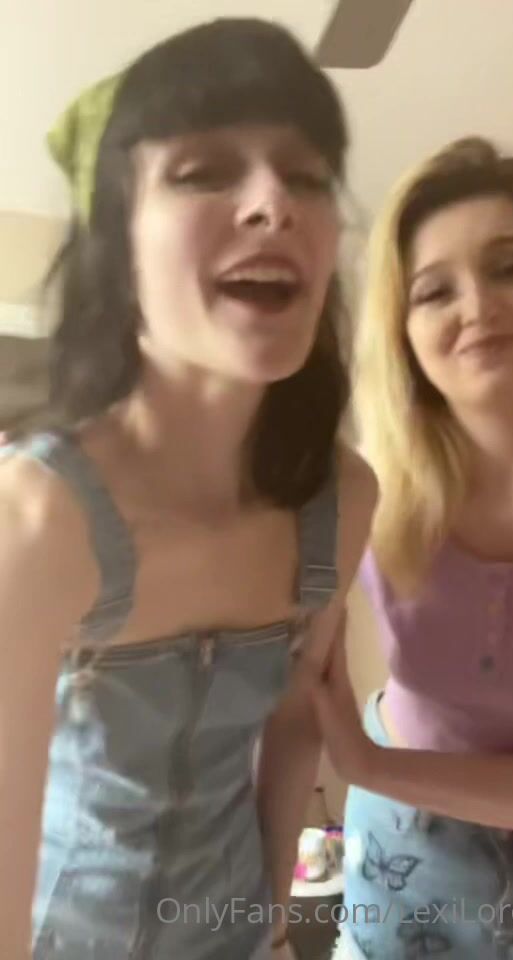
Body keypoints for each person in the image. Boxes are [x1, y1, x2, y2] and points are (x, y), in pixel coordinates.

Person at [0, 19, 378, 960]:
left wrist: (275, 926)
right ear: (117, 245)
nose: (272, 202)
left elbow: (296, 718)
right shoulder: (39, 517)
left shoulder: (343, 498)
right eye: (203, 171)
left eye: (306, 176)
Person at [317, 137, 513, 958]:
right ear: (402, 330)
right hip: (401, 867)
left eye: (512, 267)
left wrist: (368, 765)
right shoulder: (363, 492)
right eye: (434, 290)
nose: (476, 306)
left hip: (391, 780)